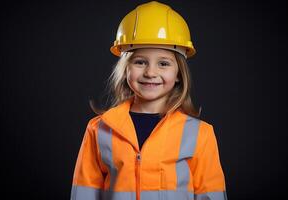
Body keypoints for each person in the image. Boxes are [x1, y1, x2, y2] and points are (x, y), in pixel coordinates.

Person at [70, 1, 227, 200]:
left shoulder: (200, 134)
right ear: (125, 69)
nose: (151, 72)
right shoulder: (98, 130)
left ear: (179, 73)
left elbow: (211, 195)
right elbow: (84, 194)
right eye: (140, 62)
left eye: (163, 63)